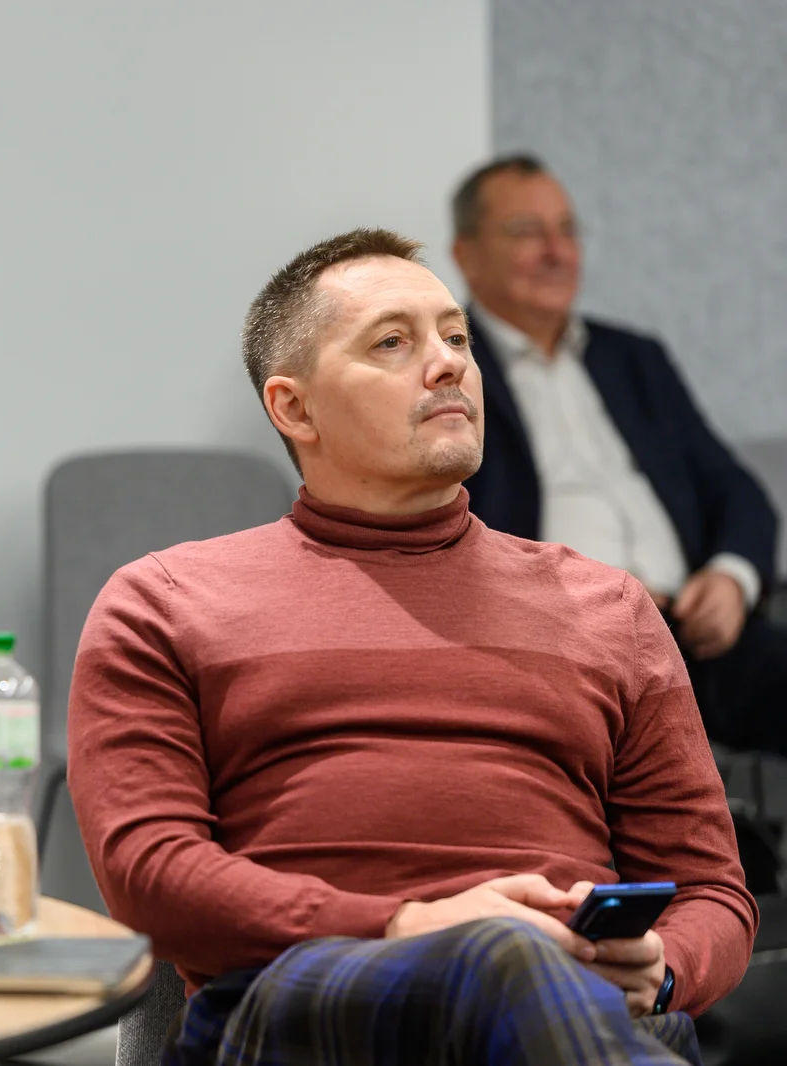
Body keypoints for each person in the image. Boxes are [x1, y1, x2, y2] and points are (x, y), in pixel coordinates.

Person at [67, 229, 755, 1066]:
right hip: (306, 1007)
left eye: (457, 338)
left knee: (537, 976)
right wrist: (406, 923)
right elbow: (149, 874)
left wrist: (663, 966)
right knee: (506, 954)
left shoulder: (608, 607)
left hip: (588, 1011)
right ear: (293, 408)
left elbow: (712, 891)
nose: (447, 364)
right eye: (393, 343)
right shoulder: (165, 602)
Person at [451, 154, 786, 756]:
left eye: (567, 230)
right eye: (527, 232)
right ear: (466, 254)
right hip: (559, 644)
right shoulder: (447, 373)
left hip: (697, 632)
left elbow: (733, 488)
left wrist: (731, 578)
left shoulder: (634, 359)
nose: (556, 251)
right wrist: (584, 601)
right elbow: (445, 532)